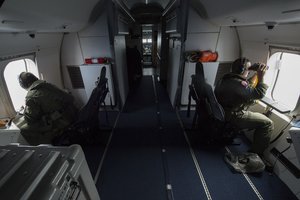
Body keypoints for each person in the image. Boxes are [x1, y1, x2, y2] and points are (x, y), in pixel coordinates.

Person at [214, 58, 274, 156]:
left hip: (222, 111)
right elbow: (259, 94)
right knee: (268, 123)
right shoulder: (239, 84)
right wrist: (261, 76)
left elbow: (245, 85)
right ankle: (255, 155)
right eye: (248, 69)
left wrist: (252, 71)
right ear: (243, 70)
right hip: (234, 116)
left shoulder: (226, 77)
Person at [17, 72, 78, 145]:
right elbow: (70, 98)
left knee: (23, 130)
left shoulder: (31, 96)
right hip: (72, 115)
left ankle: (50, 145)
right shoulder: (49, 85)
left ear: (24, 85)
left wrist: (24, 111)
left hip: (62, 123)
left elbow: (30, 119)